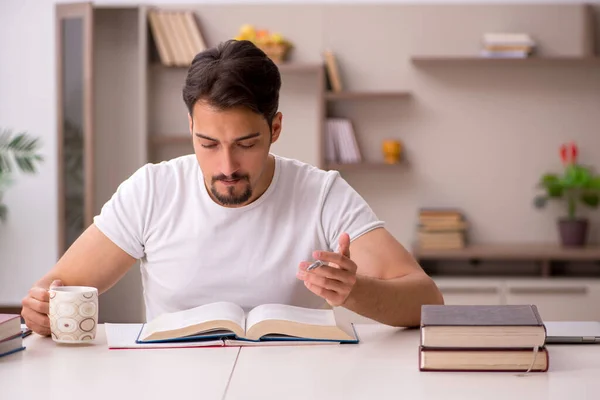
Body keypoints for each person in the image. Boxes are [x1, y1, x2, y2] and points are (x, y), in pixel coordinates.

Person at [21, 39, 443, 336]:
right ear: (190, 128)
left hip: (296, 384)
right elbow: (55, 287)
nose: (226, 166)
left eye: (246, 144)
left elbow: (427, 300)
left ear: (275, 128)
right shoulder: (152, 189)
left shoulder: (322, 194)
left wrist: (356, 291)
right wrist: (39, 310)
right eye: (208, 144)